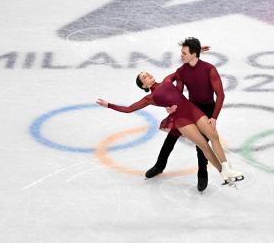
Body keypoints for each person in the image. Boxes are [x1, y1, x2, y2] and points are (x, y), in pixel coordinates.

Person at [96, 71, 244, 186]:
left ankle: (226, 169)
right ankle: (222, 173)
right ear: (144, 86)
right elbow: (129, 109)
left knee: (213, 136)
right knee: (203, 145)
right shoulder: (150, 98)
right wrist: (109, 105)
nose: (147, 75)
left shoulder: (167, 80)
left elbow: (182, 71)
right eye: (144, 77)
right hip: (181, 119)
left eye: (146, 73)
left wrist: (196, 51)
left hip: (193, 110)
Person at [146, 37, 224, 192]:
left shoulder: (208, 69)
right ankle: (159, 166)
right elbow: (178, 77)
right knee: (171, 138)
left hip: (207, 110)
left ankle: (202, 174)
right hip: (189, 107)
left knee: (202, 144)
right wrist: (174, 106)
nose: (181, 56)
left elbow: (219, 94)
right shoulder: (182, 70)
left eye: (184, 53)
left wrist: (214, 117)